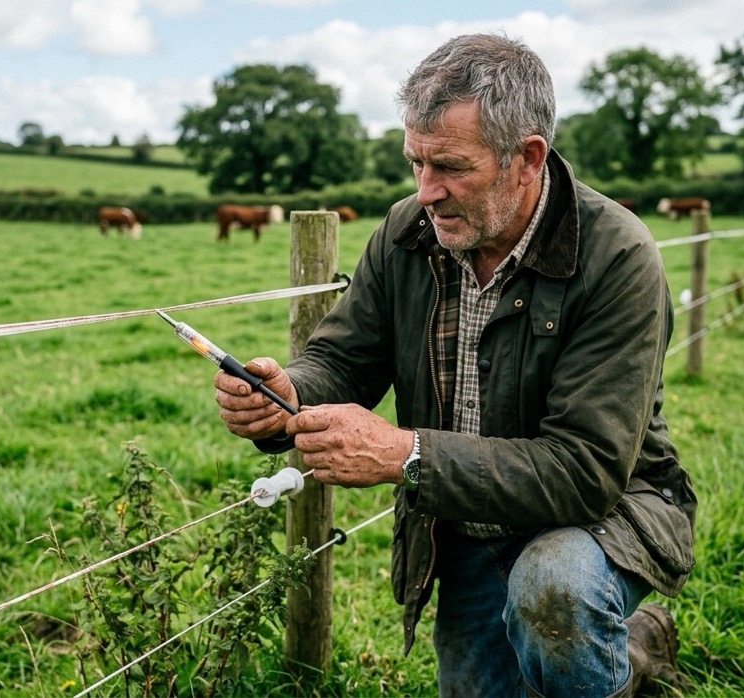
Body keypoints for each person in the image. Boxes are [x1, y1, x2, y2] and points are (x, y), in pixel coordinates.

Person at [213, 33, 696, 697]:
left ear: (526, 158)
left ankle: (609, 648)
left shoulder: (617, 257)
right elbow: (345, 358)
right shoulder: (408, 232)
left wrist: (408, 456)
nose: (426, 191)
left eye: (450, 167)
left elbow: (585, 472)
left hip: (602, 515)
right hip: (466, 520)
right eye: (415, 162)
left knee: (552, 590)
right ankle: (631, 651)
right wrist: (285, 394)